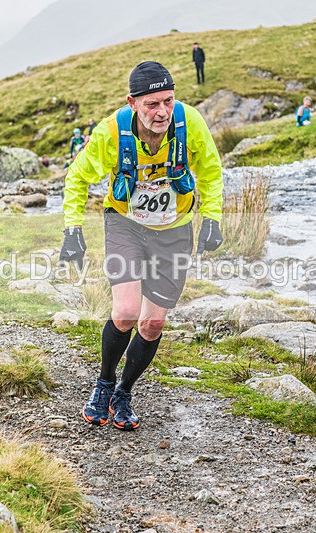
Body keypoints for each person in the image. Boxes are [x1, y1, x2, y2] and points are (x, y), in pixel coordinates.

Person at [60, 61, 223, 431]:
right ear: (132, 102)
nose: (162, 111)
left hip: (175, 229)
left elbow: (211, 171)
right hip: (126, 225)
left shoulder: (190, 123)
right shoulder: (110, 133)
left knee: (152, 323)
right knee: (126, 313)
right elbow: (77, 177)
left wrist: (212, 217)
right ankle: (103, 383)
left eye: (168, 101)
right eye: (152, 104)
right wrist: (72, 228)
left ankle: (124, 392)